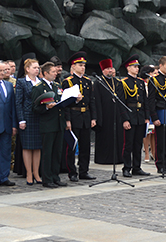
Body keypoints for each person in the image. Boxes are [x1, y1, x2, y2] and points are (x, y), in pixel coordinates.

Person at [32, 62, 68, 188]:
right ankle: (47, 179)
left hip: (59, 122)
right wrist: (46, 108)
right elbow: (35, 107)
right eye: (52, 72)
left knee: (57, 152)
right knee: (48, 152)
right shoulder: (39, 87)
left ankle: (55, 176)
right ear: (45, 73)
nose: (55, 73)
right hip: (48, 124)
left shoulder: (57, 86)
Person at [62, 51, 97, 181]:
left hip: (85, 115)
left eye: (84, 65)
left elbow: (91, 100)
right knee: (72, 146)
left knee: (85, 146)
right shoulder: (68, 82)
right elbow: (65, 103)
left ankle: (84, 170)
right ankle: (72, 172)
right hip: (74, 114)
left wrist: (93, 117)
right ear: (73, 66)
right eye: (80, 65)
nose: (83, 67)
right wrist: (67, 120)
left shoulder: (88, 81)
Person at [117, 55, 150, 177]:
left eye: (137, 67)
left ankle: (137, 167)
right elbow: (121, 103)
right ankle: (127, 167)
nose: (137, 69)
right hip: (130, 115)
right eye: (134, 67)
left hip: (140, 116)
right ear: (128, 68)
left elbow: (145, 101)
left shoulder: (141, 82)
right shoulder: (123, 83)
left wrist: (147, 117)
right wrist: (125, 119)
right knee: (128, 144)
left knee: (138, 144)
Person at [15, 55, 43, 185]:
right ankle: (28, 173)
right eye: (35, 68)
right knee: (27, 147)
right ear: (27, 69)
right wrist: (21, 119)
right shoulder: (21, 82)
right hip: (27, 116)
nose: (37, 70)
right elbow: (18, 102)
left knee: (37, 147)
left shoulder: (41, 82)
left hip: (39, 116)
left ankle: (36, 172)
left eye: (38, 68)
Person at [91, 58, 124, 165]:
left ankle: (118, 158)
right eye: (108, 68)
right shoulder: (98, 83)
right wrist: (98, 117)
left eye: (111, 68)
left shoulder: (117, 82)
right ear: (103, 70)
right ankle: (104, 158)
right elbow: (96, 100)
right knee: (105, 137)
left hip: (116, 114)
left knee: (117, 136)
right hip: (104, 114)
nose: (110, 70)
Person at [140, 65, 157, 162]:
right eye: (151, 73)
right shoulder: (142, 83)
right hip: (145, 110)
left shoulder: (153, 83)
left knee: (153, 133)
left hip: (152, 109)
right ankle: (146, 152)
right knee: (147, 133)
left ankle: (153, 153)